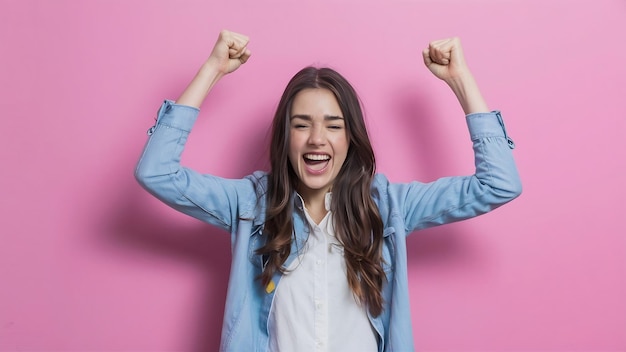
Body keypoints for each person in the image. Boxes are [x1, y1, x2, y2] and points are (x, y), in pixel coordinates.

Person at [135, 30, 521, 352]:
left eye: (333, 125)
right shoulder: (249, 204)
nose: (316, 139)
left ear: (351, 138)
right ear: (286, 137)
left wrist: (461, 80)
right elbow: (157, 172)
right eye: (302, 124)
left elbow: (499, 184)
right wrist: (212, 70)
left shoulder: (388, 207)